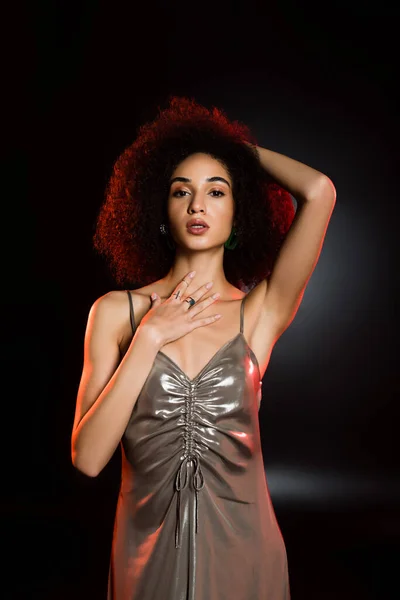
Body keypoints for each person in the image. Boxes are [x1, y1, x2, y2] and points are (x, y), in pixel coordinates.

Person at [71, 95, 336, 599]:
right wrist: (150, 335)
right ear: (159, 210)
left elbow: (320, 191)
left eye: (217, 191)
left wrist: (234, 151)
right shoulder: (115, 313)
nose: (197, 205)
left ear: (240, 213)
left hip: (248, 553)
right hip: (143, 556)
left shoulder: (259, 313)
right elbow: (87, 458)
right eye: (181, 192)